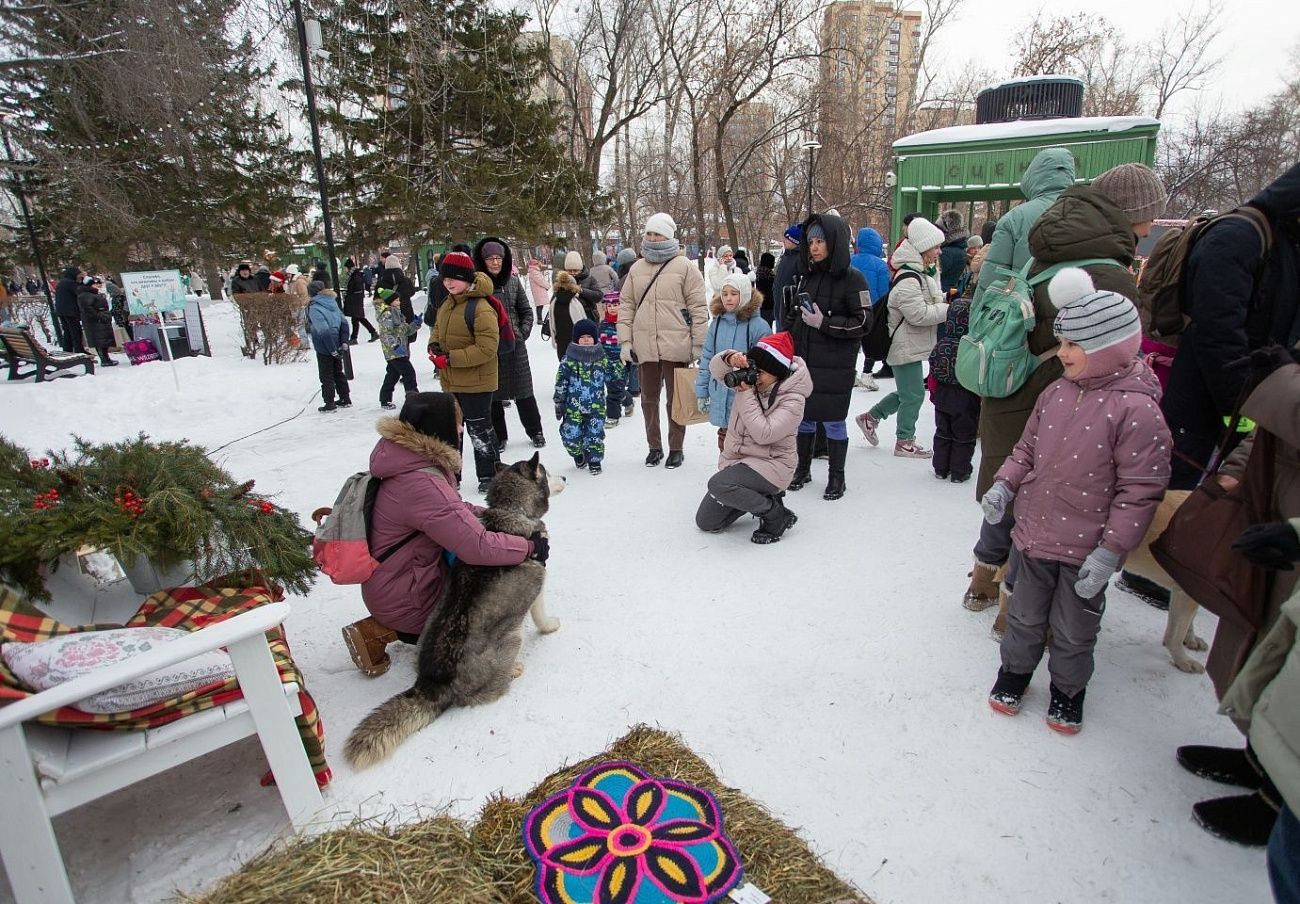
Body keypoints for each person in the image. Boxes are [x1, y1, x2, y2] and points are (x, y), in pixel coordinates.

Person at [961, 157, 1152, 626]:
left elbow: (987, 290)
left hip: (1008, 384)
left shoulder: (1045, 237)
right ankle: (1013, 612)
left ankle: (982, 582)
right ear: (1134, 215)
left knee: (1004, 489)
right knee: (1037, 513)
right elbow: (1115, 359)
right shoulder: (1110, 276)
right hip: (1059, 408)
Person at [982, 270, 1170, 733]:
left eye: (1073, 345)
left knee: (1074, 627)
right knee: (1024, 613)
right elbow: (1025, 449)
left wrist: (1111, 550)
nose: (1061, 352)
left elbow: (1140, 491)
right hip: (1032, 535)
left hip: (1086, 548)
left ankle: (1068, 689)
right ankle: (1015, 671)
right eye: (1062, 342)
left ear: (1109, 347)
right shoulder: (1055, 393)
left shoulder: (1136, 409)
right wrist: (1005, 485)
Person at [1177, 345, 1300, 846]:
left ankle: (1281, 798)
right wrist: (1239, 466)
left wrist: (1283, 382)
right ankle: (1261, 755)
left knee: (1289, 653)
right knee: (1263, 629)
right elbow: (1271, 432)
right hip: (1275, 505)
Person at [342, 392, 547, 676]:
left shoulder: (407, 462)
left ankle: (384, 625)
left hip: (396, 580)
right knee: (485, 587)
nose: (462, 430)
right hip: (407, 596)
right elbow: (477, 546)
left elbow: (454, 510)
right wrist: (529, 547)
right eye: (458, 424)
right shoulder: (421, 483)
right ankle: (377, 632)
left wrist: (497, 517)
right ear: (439, 427)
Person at [1163, 161, 1300, 490]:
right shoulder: (1238, 238)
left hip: (1248, 403)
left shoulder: (1286, 244)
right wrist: (1245, 414)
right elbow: (1217, 335)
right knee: (1177, 496)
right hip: (1207, 408)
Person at [783, 213, 871, 500]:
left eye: (820, 241)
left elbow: (863, 323)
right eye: (811, 242)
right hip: (806, 363)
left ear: (835, 242)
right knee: (804, 419)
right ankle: (802, 469)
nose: (815, 247)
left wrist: (824, 323)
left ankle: (837, 478)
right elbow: (798, 320)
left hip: (836, 365)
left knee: (833, 421)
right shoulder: (809, 277)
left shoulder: (853, 279)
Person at [695, 331, 812, 544]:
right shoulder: (755, 382)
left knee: (718, 485)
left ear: (778, 373)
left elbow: (764, 434)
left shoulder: (793, 400)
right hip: (741, 464)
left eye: (763, 372)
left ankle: (775, 515)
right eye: (754, 369)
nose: (755, 376)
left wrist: (746, 393)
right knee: (707, 521)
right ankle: (760, 496)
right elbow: (716, 368)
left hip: (772, 466)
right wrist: (731, 359)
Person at [617, 212, 709, 469]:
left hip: (676, 345)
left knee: (676, 399)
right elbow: (626, 307)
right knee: (648, 399)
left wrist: (698, 343)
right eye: (649, 233)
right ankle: (654, 446)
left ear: (669, 236)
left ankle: (676, 447)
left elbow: (698, 308)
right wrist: (626, 341)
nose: (653, 237)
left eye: (658, 233)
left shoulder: (685, 267)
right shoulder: (636, 269)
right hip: (645, 345)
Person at [855, 217, 948, 460]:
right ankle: (904, 440)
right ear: (923, 246)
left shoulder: (920, 272)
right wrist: (949, 308)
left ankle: (870, 418)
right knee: (914, 394)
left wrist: (943, 299)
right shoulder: (908, 278)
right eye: (935, 246)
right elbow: (918, 314)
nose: (939, 251)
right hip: (903, 345)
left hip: (910, 345)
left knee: (910, 391)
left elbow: (930, 301)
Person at [428, 250, 501, 494]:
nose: (448, 282)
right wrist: (434, 346)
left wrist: (451, 359)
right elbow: (437, 330)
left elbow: (487, 348)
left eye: (455, 277)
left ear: (468, 278)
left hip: (478, 383)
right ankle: (452, 476)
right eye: (445, 278)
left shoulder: (481, 307)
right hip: (452, 381)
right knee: (451, 432)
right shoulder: (447, 304)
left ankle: (488, 474)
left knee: (480, 431)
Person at [476, 237, 545, 450]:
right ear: (483, 260)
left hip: (515, 347)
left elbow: (526, 311)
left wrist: (521, 333)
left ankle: (536, 432)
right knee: (494, 397)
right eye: (490, 259)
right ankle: (500, 436)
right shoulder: (477, 286)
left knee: (524, 392)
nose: (495, 263)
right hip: (490, 349)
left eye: (499, 258)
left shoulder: (513, 282)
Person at [696, 273, 771, 450]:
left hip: (746, 394)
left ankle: (743, 473)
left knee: (746, 439)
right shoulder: (717, 324)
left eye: (734, 293)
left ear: (744, 294)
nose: (728, 298)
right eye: (725, 293)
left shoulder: (758, 326)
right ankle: (726, 471)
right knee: (724, 435)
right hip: (720, 391)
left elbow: (766, 366)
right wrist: (702, 391)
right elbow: (707, 357)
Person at [928, 285, 980, 482]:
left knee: (943, 431)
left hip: (942, 393)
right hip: (966, 395)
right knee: (964, 434)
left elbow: (932, 370)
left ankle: (941, 467)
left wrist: (933, 393)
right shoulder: (972, 347)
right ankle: (960, 470)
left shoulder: (941, 344)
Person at [554, 319, 608, 474]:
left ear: (595, 338)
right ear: (576, 339)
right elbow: (561, 380)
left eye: (589, 337)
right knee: (570, 434)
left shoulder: (601, 358)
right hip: (573, 407)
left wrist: (618, 380)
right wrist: (559, 400)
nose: (585, 340)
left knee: (595, 435)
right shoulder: (568, 360)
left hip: (596, 407)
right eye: (582, 337)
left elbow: (612, 375)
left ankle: (594, 460)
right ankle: (578, 454)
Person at [850, 226, 891, 391]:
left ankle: (851, 374)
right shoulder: (881, 266)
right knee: (870, 341)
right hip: (873, 308)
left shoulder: (850, 261)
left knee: (853, 341)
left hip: (852, 307)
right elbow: (884, 292)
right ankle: (867, 373)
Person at [306, 280, 351, 412]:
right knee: (338, 372)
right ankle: (345, 398)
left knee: (326, 375)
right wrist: (343, 342)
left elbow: (323, 330)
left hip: (324, 345)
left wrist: (331, 350)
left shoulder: (314, 307)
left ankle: (329, 402)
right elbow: (344, 323)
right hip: (337, 340)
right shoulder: (333, 303)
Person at [548, 251, 602, 361]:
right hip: (566, 326)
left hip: (588, 319)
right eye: (569, 270)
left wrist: (582, 291)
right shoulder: (561, 280)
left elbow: (598, 296)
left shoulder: (589, 279)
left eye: (575, 270)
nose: (572, 273)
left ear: (581, 268)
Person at [374, 286, 419, 410]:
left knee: (392, 374)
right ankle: (413, 398)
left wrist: (415, 324)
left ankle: (385, 399)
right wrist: (395, 346)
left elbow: (404, 331)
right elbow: (387, 333)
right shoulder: (387, 314)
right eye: (396, 300)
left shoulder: (396, 314)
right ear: (389, 301)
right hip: (394, 351)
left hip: (399, 350)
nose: (399, 302)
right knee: (409, 372)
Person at [597, 291, 633, 425]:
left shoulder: (625, 324)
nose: (612, 308)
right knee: (614, 387)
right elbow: (598, 342)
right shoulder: (602, 324)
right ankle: (628, 401)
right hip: (605, 362)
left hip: (621, 362)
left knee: (614, 389)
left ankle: (613, 416)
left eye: (616, 304)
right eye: (610, 305)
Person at [76, 275, 117, 366]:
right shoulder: (85, 295)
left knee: (103, 340)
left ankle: (106, 358)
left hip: (100, 320)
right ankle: (104, 359)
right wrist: (99, 316)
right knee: (100, 341)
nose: (97, 285)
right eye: (94, 284)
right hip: (96, 322)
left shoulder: (91, 294)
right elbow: (87, 309)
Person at [772, 225, 803, 328]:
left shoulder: (800, 259)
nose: (783, 241)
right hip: (778, 309)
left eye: (786, 238)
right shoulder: (785, 256)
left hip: (789, 314)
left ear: (794, 240)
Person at [344, 257, 379, 343]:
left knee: (358, 318)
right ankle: (356, 337)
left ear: (348, 267)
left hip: (355, 300)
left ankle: (369, 333)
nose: (344, 269)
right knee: (356, 319)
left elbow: (356, 288)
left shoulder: (355, 276)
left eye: (345, 268)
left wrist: (350, 295)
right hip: (355, 300)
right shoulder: (353, 275)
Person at [938, 210, 970, 295]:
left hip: (942, 291)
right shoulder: (960, 249)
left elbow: (935, 273)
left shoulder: (947, 252)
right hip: (950, 290)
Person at [54, 265, 84, 354]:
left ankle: (67, 350)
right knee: (76, 331)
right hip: (70, 311)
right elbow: (80, 292)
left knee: (67, 331)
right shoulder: (70, 283)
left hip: (61, 311)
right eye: (78, 274)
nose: (80, 276)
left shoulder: (63, 282)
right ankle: (79, 350)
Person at [754, 251, 776, 327]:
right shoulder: (769, 274)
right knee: (767, 325)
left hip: (762, 304)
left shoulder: (760, 272)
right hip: (768, 304)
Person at [527, 257, 550, 327]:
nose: (538, 265)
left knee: (540, 305)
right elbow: (540, 281)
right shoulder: (534, 272)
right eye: (537, 264)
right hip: (538, 291)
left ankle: (540, 319)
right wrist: (547, 286)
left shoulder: (534, 271)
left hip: (538, 291)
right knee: (539, 305)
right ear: (534, 264)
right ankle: (539, 320)